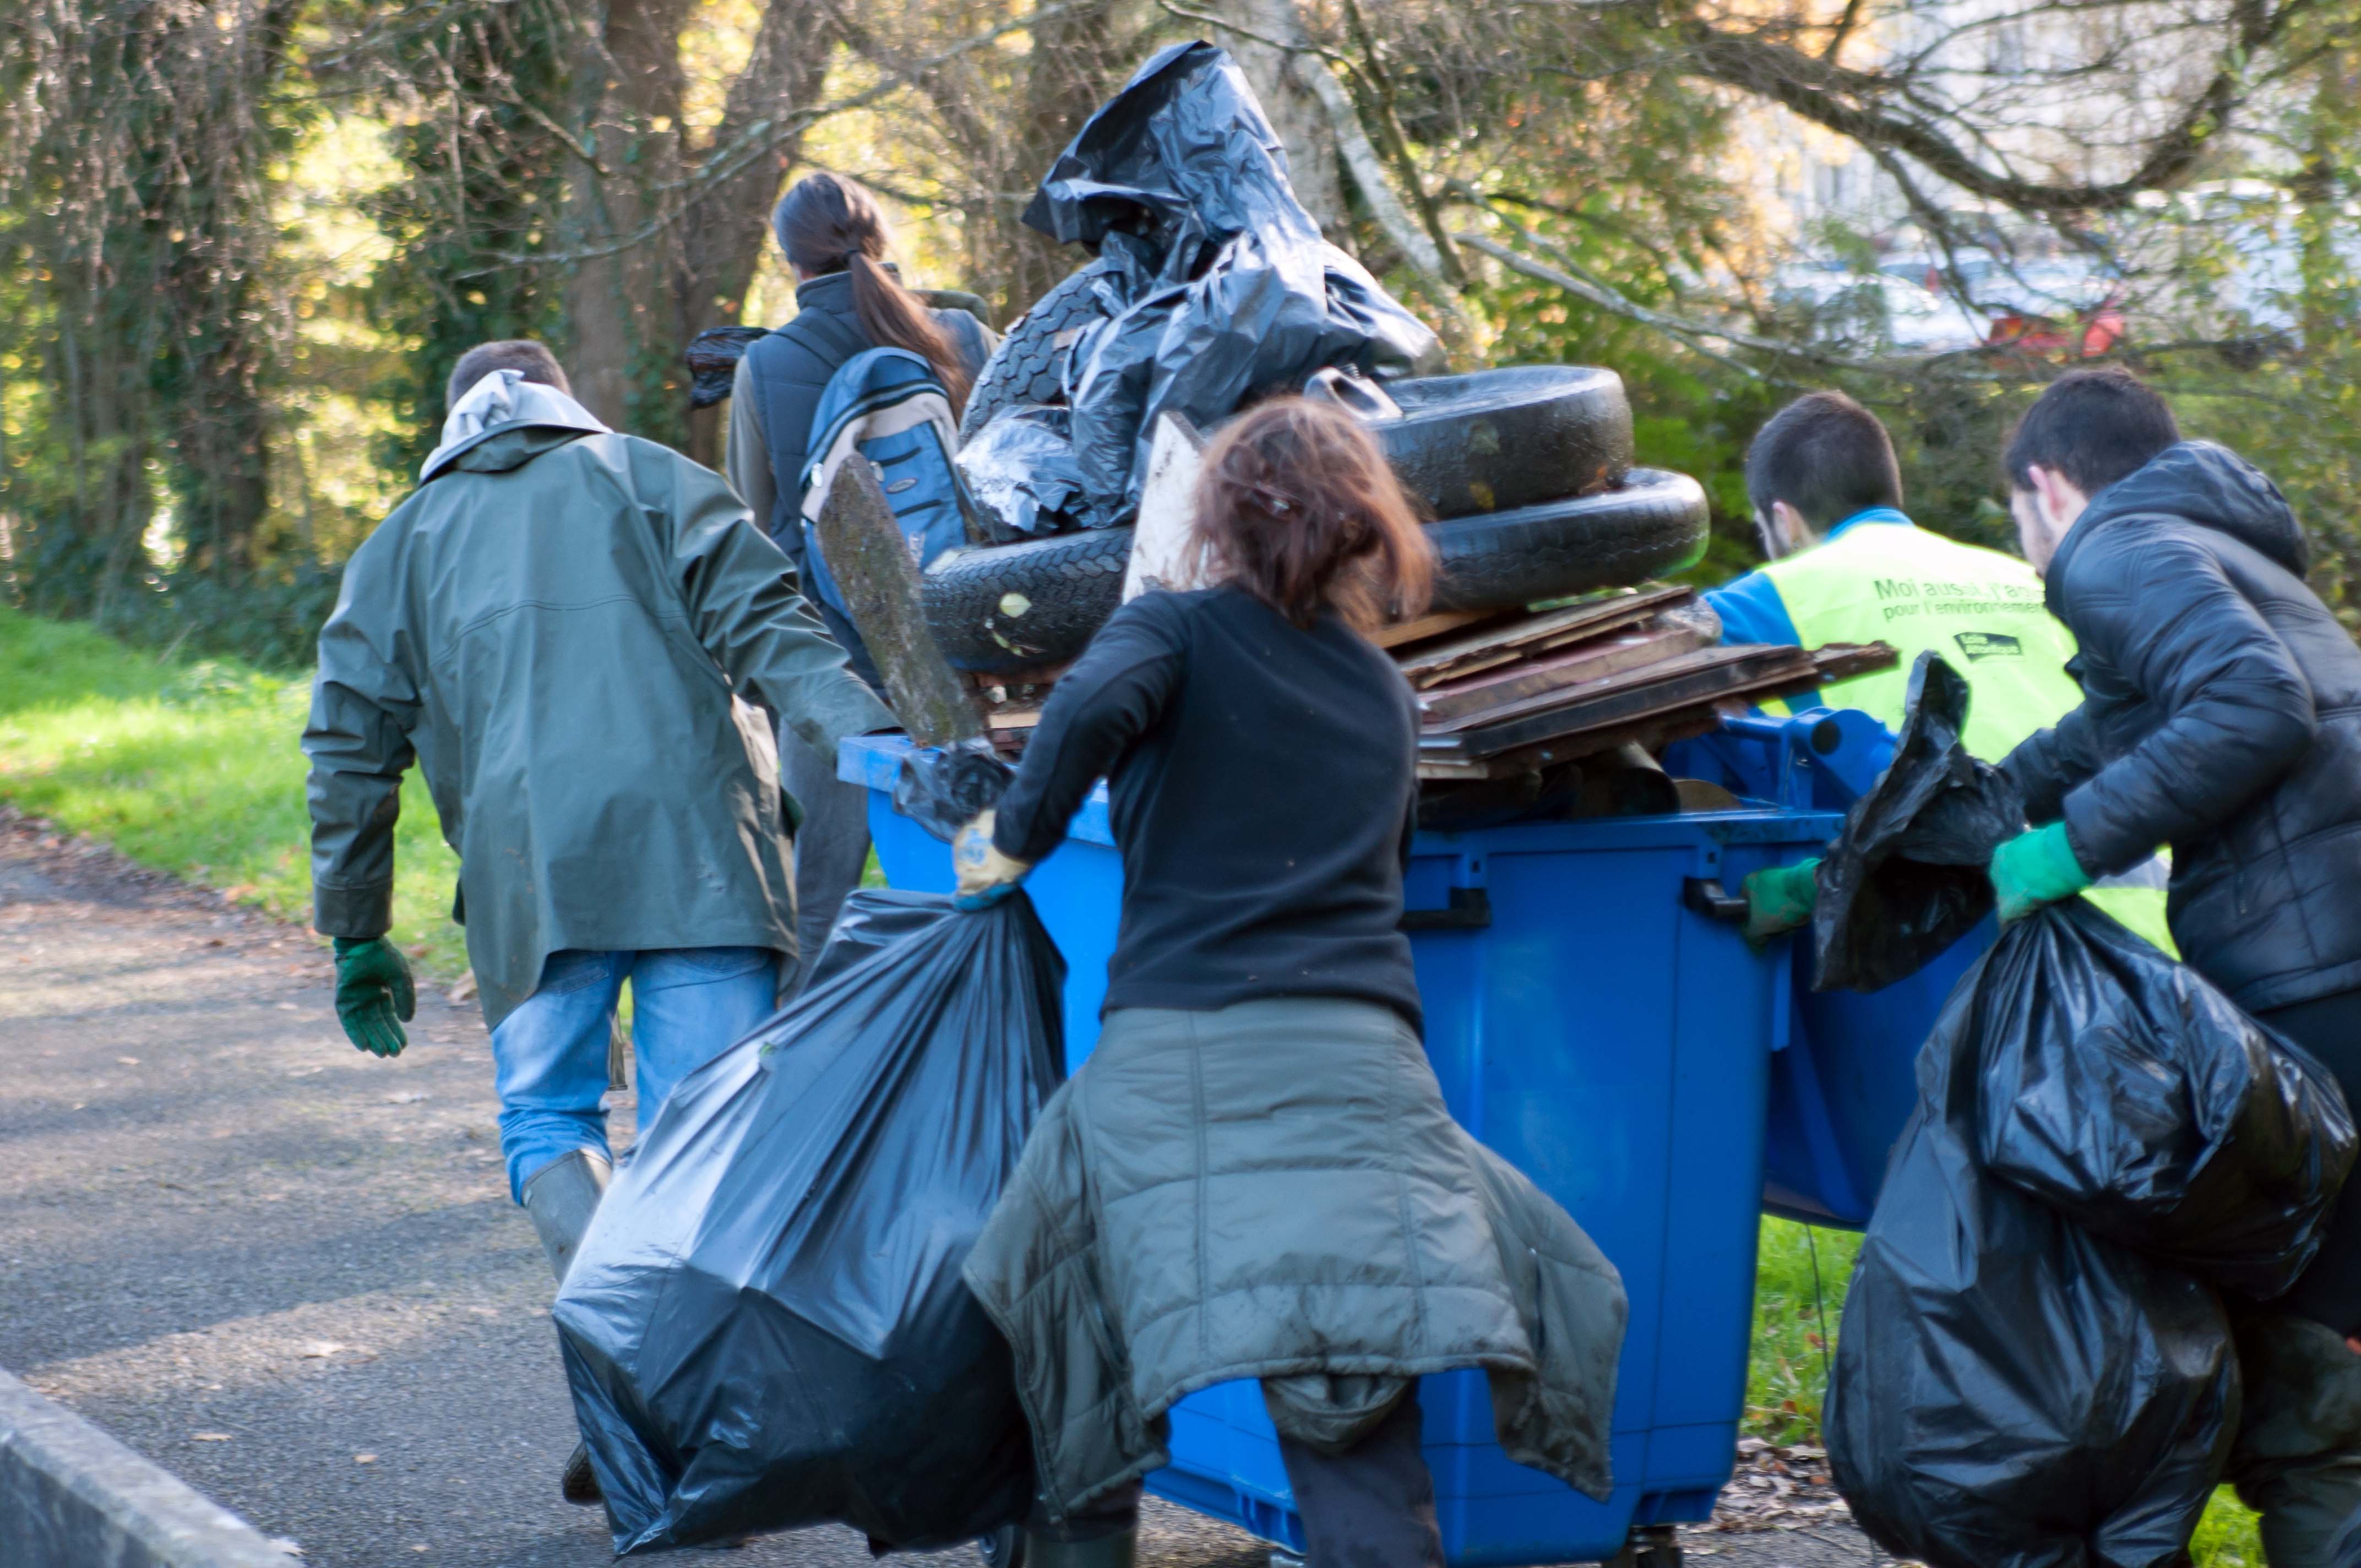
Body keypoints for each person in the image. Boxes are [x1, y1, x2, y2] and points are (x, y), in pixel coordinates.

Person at [950, 400, 1626, 1568]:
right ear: (1363, 530)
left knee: (1071, 1354)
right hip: (1364, 1080)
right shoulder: (1381, 695)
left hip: (1170, 1065)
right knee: (1352, 1417)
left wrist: (1010, 837)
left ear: (1215, 517)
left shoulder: (1168, 632)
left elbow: (1087, 712)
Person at [304, 339, 893, 1502]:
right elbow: (775, 629)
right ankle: (684, 1403)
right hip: (703, 861)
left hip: (536, 881)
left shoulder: (403, 542)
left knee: (547, 1118)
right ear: (564, 397)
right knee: (703, 1135)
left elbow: (347, 741)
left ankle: (633, 1373)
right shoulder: (650, 476)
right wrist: (887, 741)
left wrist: (355, 924)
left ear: (456, 416)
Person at [1990, 366, 2361, 1567]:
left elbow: (2252, 705)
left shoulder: (2104, 551)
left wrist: (2071, 846)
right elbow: (2110, 725)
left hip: (2313, 965)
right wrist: (1966, 817)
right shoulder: (2212, 545)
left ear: (2046, 485)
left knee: (2309, 1349)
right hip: (2339, 948)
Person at [1716, 389, 2170, 951]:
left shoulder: (1759, 605)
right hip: (2155, 936)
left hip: (1964, 954)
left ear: (1783, 521)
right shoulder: (2031, 579)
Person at [727, 172, 995, 982]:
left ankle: (797, 1070)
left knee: (816, 891)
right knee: (985, 860)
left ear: (791, 266)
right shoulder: (961, 334)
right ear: (881, 243)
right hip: (970, 649)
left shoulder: (766, 364)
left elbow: (756, 526)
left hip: (832, 669)